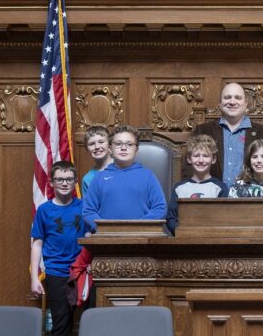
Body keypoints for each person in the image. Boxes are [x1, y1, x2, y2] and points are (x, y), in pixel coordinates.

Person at [30, 160, 88, 336]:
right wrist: (34, 277)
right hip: (56, 272)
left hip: (81, 272)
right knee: (60, 322)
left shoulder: (84, 207)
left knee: (87, 319)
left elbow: (91, 238)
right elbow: (37, 244)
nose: (64, 183)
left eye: (69, 179)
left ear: (76, 182)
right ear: (51, 182)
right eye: (60, 179)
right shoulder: (44, 210)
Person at [190, 82, 263, 187]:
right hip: (211, 198)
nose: (232, 102)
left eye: (237, 98)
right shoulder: (203, 130)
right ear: (220, 102)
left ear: (246, 103)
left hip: (251, 197)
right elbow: (189, 168)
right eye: (227, 97)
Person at [82, 125, 167, 232]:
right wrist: (104, 229)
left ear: (136, 150)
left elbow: (160, 208)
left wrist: (140, 226)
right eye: (118, 144)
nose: (123, 148)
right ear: (110, 149)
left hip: (141, 237)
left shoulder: (148, 176)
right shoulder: (99, 177)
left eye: (129, 144)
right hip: (107, 239)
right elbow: (88, 211)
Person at [166, 135, 229, 234]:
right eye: (196, 156)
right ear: (189, 159)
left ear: (213, 159)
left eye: (206, 156)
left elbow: (223, 219)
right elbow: (171, 218)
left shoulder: (221, 188)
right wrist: (182, 232)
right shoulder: (179, 188)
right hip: (183, 239)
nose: (200, 160)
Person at [81, 125, 112, 196]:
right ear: (87, 148)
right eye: (92, 144)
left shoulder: (123, 167)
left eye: (101, 142)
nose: (97, 147)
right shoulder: (88, 179)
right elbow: (88, 206)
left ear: (109, 144)